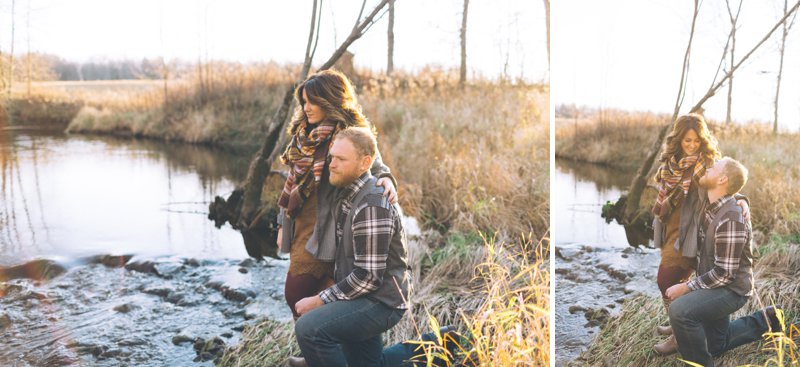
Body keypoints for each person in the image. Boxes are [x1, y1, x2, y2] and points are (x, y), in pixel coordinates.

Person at [276, 69, 398, 321]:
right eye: (304, 102)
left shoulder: (349, 132)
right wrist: (281, 225)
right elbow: (291, 182)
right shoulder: (303, 135)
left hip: (327, 228)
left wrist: (386, 177)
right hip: (299, 223)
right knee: (308, 295)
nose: (307, 107)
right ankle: (316, 348)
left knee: (296, 294)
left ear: (329, 99)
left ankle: (316, 345)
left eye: (313, 101)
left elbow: (373, 162)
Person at [290, 126, 411, 367]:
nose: (331, 164)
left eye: (341, 159)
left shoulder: (372, 205)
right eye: (332, 157)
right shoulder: (346, 191)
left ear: (365, 163)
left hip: (381, 302)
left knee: (309, 329)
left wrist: (320, 300)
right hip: (363, 296)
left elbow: (368, 277)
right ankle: (443, 344)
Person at [665, 157, 783, 367]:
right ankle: (771, 319)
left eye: (713, 167)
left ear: (722, 179)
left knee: (679, 311)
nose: (708, 168)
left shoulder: (731, 219)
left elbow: (725, 274)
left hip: (731, 290)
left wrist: (686, 287)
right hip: (715, 284)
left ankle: (699, 364)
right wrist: (742, 197)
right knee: (715, 345)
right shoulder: (709, 200)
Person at [650, 114, 749, 355]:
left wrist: (742, 199)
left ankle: (678, 334)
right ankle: (679, 324)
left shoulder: (706, 162)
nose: (692, 145)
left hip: (689, 229)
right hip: (669, 225)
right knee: (675, 279)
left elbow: (724, 185)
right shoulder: (671, 164)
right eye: (687, 141)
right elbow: (664, 192)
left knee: (665, 280)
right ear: (678, 140)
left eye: (696, 141)